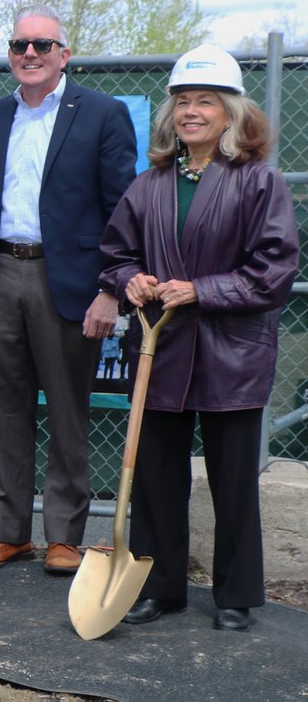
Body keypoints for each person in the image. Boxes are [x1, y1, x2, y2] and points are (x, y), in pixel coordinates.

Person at [99, 44, 298, 632]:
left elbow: (275, 270)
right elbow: (114, 254)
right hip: (160, 349)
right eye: (182, 102)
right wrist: (128, 279)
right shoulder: (149, 184)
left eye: (204, 102)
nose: (190, 112)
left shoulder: (259, 182)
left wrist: (202, 290)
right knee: (156, 476)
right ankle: (158, 588)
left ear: (230, 113)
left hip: (231, 353)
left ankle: (236, 595)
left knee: (232, 479)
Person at [0, 5, 137, 575]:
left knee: (67, 411)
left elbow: (122, 212)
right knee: (4, 411)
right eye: (18, 45)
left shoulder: (103, 115)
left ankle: (64, 537)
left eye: (41, 44)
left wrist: (112, 290)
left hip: (72, 284)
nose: (28, 54)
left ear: (64, 54)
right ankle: (9, 534)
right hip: (1, 274)